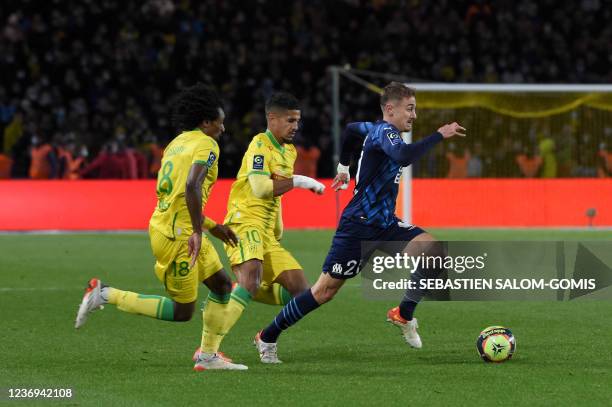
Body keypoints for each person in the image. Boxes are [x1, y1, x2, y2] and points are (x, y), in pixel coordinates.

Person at [253, 82, 465, 363]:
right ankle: (267, 336)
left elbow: (352, 128)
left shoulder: (375, 129)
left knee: (434, 253)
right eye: (410, 109)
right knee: (323, 291)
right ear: (391, 109)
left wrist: (343, 167)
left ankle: (403, 314)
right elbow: (402, 156)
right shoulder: (386, 132)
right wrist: (439, 134)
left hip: (385, 224)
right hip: (358, 226)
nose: (414, 116)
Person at [74, 84, 248, 371]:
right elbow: (191, 186)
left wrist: (211, 227)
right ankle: (104, 293)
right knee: (182, 312)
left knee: (221, 285)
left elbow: (177, 196)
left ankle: (208, 357)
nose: (223, 128)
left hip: (175, 226)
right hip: (177, 236)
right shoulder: (207, 145)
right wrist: (196, 231)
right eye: (220, 121)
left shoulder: (176, 144)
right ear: (206, 122)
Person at [205, 92, 324, 362]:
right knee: (251, 277)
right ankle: (208, 350)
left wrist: (278, 225)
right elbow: (259, 188)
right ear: (272, 118)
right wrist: (301, 181)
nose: (296, 126)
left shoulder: (289, 150)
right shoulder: (260, 144)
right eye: (290, 120)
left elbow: (275, 192)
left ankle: (260, 329)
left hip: (266, 232)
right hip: (244, 222)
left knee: (302, 293)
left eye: (298, 121)